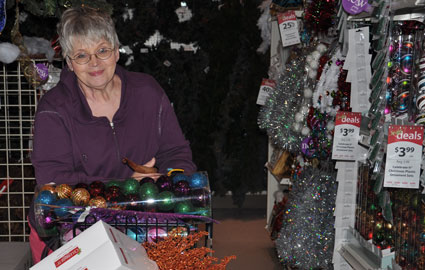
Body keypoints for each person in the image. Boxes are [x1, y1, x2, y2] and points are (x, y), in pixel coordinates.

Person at [29, 6, 196, 264]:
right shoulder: (54, 109)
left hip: (147, 223)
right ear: (70, 63)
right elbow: (54, 181)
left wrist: (168, 179)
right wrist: (128, 185)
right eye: (82, 55)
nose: (94, 63)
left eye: (102, 51)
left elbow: (176, 152)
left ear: (117, 51)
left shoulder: (148, 91)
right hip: (74, 230)